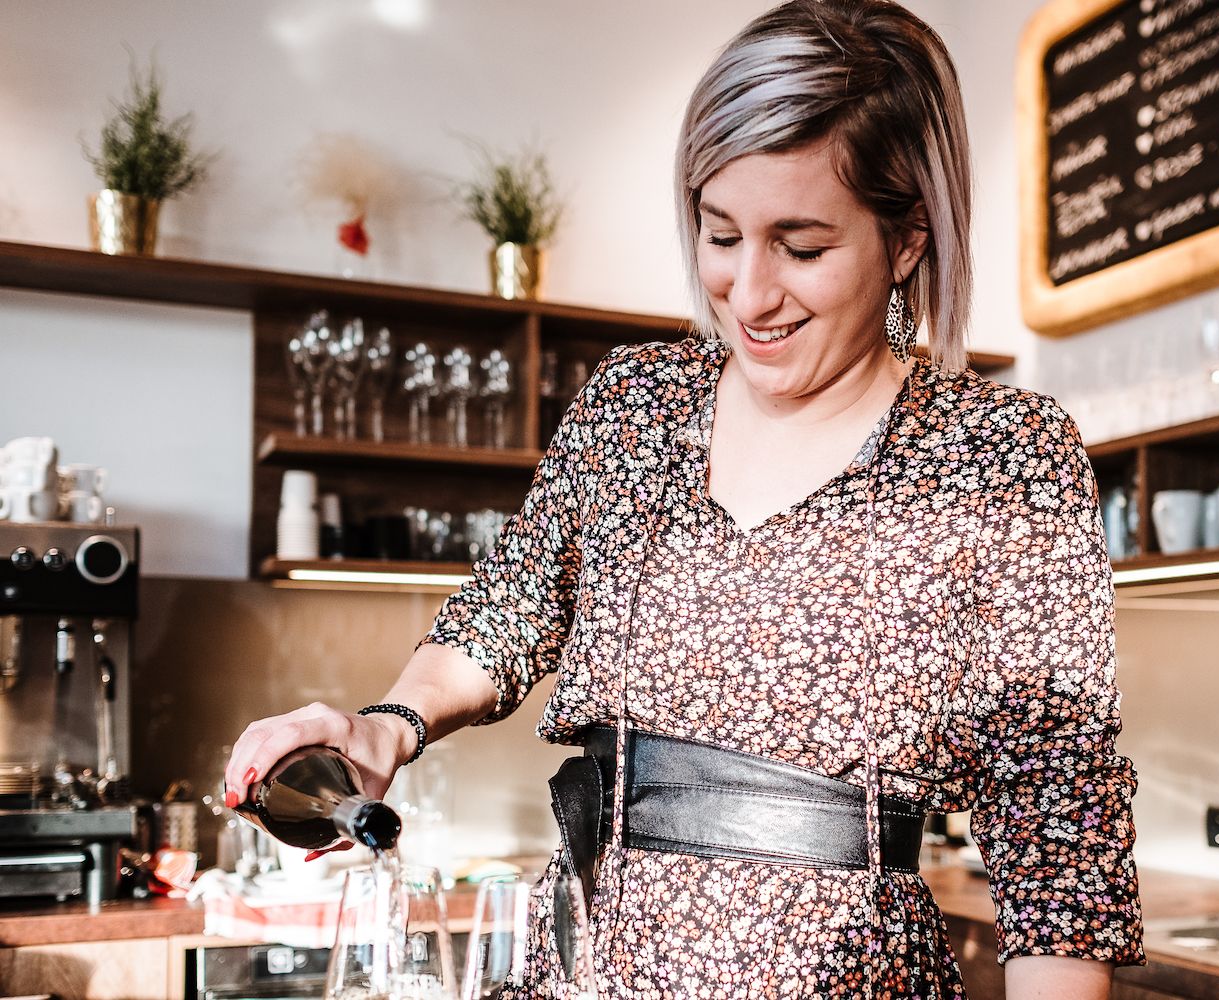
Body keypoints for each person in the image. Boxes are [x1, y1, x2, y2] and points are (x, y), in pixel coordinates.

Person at [224, 1, 1143, 995]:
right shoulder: (636, 403)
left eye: (801, 247)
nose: (748, 294)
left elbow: (1058, 829)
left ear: (908, 239)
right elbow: (511, 606)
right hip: (586, 972)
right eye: (720, 234)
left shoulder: (1001, 454)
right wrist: (386, 725)